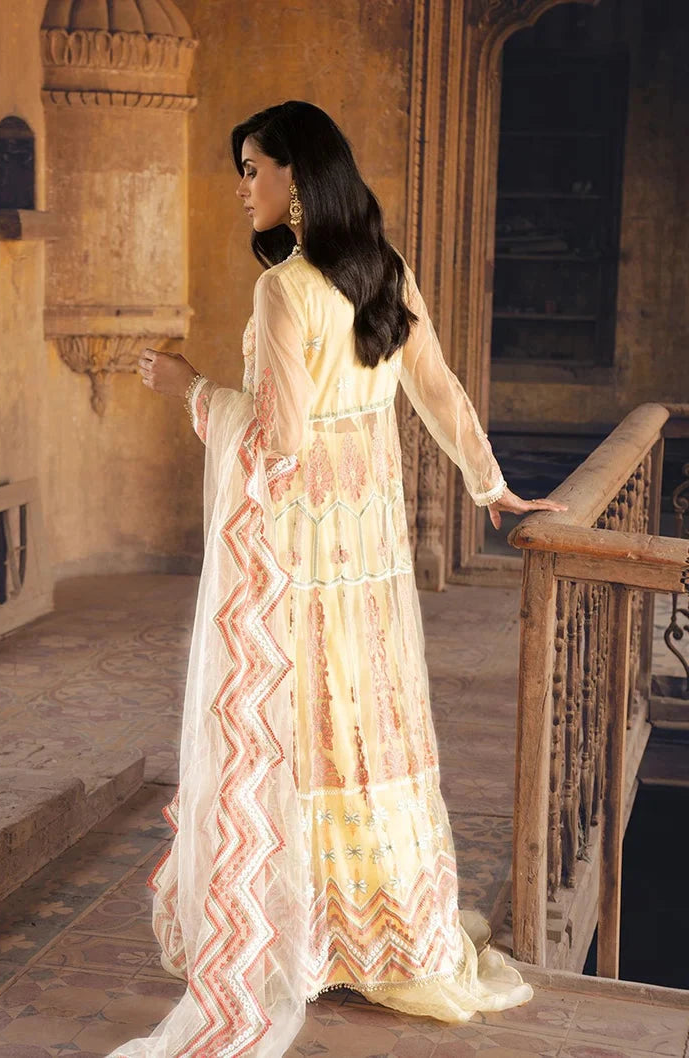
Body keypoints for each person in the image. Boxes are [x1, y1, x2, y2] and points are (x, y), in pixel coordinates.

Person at [112, 100, 567, 1058]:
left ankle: (308, 929)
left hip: (305, 545)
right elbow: (435, 386)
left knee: (299, 718)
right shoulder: (383, 271)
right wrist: (491, 485)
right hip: (370, 542)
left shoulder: (284, 289)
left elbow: (277, 439)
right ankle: (372, 925)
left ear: (297, 177)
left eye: (254, 169)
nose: (244, 188)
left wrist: (190, 388)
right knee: (360, 715)